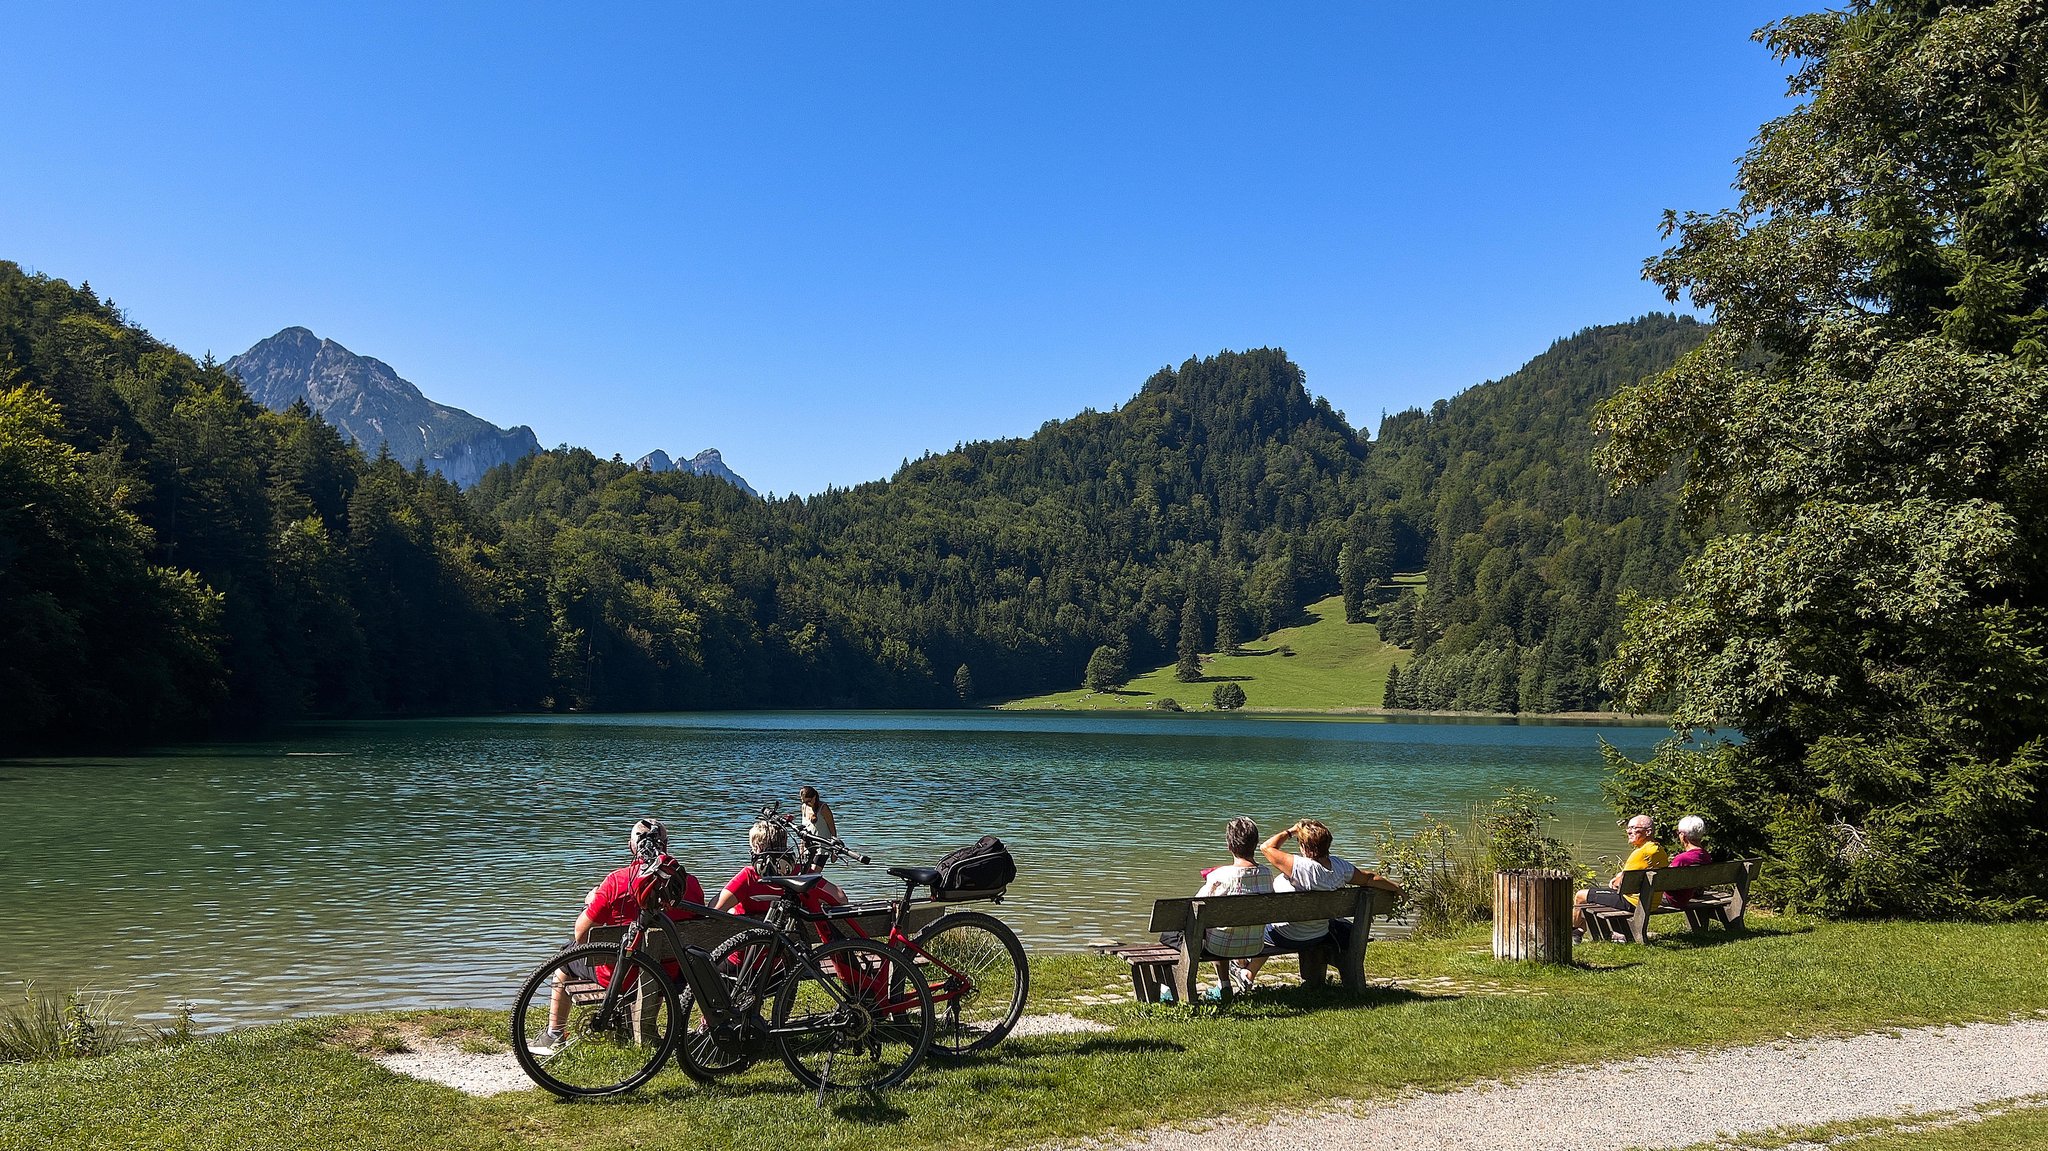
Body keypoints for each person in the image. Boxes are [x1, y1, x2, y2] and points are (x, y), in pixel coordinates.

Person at [539, 817, 704, 1053]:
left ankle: (554, 1034)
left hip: (619, 976)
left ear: (631, 847)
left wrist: (591, 902)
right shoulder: (688, 883)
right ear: (665, 846)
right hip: (669, 975)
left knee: (565, 957)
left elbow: (581, 935)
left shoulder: (616, 882)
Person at [1241, 819, 1403, 983]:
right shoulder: (1340, 868)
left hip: (1287, 935)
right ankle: (1249, 972)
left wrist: (1290, 831)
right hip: (1318, 933)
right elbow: (1369, 878)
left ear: (1304, 847)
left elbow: (1266, 847)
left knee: (1261, 926)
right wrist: (1396, 887)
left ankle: (1245, 967)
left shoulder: (1301, 867)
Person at [1166, 817, 1271, 1000]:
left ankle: (1222, 986)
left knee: (1174, 933)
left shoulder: (1220, 875)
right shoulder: (1266, 874)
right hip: (1255, 943)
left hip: (1220, 947)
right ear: (1255, 844)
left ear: (1229, 846)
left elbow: (1195, 906)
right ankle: (1230, 980)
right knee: (1224, 926)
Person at [714, 818, 845, 922]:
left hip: (748, 953)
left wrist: (732, 910)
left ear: (757, 848)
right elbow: (841, 898)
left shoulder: (749, 876)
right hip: (790, 951)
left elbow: (714, 910)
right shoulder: (801, 874)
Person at [1573, 814, 1669, 940]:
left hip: (1632, 902)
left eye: (1634, 828)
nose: (1629, 831)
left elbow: (1619, 884)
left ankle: (1575, 932)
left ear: (1648, 831)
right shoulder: (1659, 850)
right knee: (1599, 893)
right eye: (1628, 828)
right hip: (1653, 902)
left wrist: (1615, 880)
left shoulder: (1640, 853)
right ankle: (1589, 932)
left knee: (1581, 895)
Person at [1663, 814, 1712, 910]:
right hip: (1690, 894)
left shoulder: (1682, 859)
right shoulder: (1706, 856)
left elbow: (1665, 881)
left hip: (1674, 899)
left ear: (1683, 836)